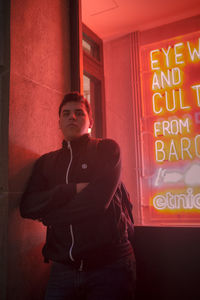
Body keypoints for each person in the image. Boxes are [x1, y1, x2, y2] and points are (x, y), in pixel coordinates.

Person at [20, 92, 136, 300]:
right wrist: (70, 190)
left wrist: (51, 217)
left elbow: (97, 202)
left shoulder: (107, 149)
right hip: (63, 269)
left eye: (79, 113)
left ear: (90, 122)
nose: (71, 117)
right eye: (66, 114)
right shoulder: (47, 162)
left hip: (110, 267)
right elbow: (28, 206)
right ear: (59, 123)